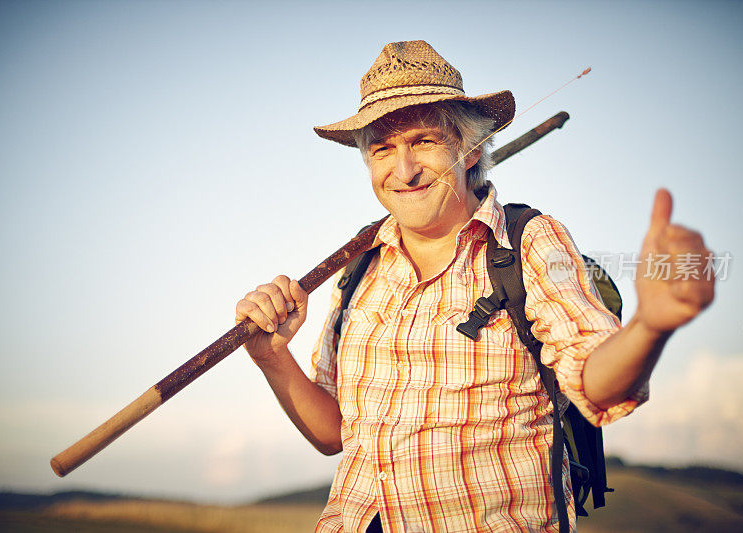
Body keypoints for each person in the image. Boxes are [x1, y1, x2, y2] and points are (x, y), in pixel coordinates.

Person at [235, 41, 714, 533]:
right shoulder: (360, 269)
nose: (403, 170)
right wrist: (272, 356)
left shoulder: (527, 242)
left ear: (469, 150)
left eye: (424, 141)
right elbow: (334, 434)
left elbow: (597, 380)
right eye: (382, 149)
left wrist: (648, 327)